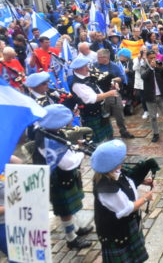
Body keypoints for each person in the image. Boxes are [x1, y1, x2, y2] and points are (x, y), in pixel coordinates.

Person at [32, 104, 93, 249]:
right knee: (65, 210)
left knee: (72, 205)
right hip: (57, 179)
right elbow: (67, 163)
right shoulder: (49, 141)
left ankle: (77, 228)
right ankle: (71, 239)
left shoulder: (49, 131)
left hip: (63, 176)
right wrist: (81, 154)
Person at [91, 139, 154, 262]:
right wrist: (146, 198)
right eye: (120, 159)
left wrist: (142, 181)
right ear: (112, 165)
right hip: (117, 232)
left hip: (126, 225)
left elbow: (126, 180)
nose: (123, 160)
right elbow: (126, 208)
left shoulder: (113, 172)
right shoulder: (107, 189)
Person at [70, 56, 118, 143]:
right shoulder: (77, 84)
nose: (88, 68)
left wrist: (112, 83)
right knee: (97, 142)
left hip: (101, 111)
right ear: (78, 69)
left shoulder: (88, 74)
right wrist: (109, 93)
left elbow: (104, 77)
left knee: (109, 136)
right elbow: (92, 99)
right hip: (91, 115)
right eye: (85, 66)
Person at [93, 49, 134, 139]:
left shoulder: (114, 66)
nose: (97, 59)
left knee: (119, 113)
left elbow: (122, 78)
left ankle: (123, 131)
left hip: (113, 93)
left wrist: (112, 79)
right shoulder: (94, 65)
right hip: (101, 95)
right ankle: (108, 134)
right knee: (105, 116)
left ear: (105, 58)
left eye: (99, 57)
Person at [140, 50, 163, 143]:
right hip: (150, 96)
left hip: (162, 95)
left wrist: (162, 67)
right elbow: (143, 76)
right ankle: (155, 133)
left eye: (154, 57)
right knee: (153, 117)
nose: (153, 59)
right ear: (147, 59)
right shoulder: (143, 66)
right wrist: (151, 68)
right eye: (151, 58)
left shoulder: (160, 64)